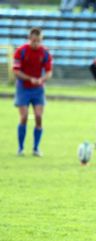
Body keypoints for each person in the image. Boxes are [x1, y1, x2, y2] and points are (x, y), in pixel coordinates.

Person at [13, 28, 53, 157]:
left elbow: (48, 72)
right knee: (23, 117)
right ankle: (20, 148)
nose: (36, 43)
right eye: (34, 41)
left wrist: (42, 79)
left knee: (38, 117)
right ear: (29, 39)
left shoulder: (45, 53)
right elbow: (16, 71)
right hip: (23, 88)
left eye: (39, 41)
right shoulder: (21, 51)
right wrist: (30, 79)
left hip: (38, 89)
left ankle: (36, 148)